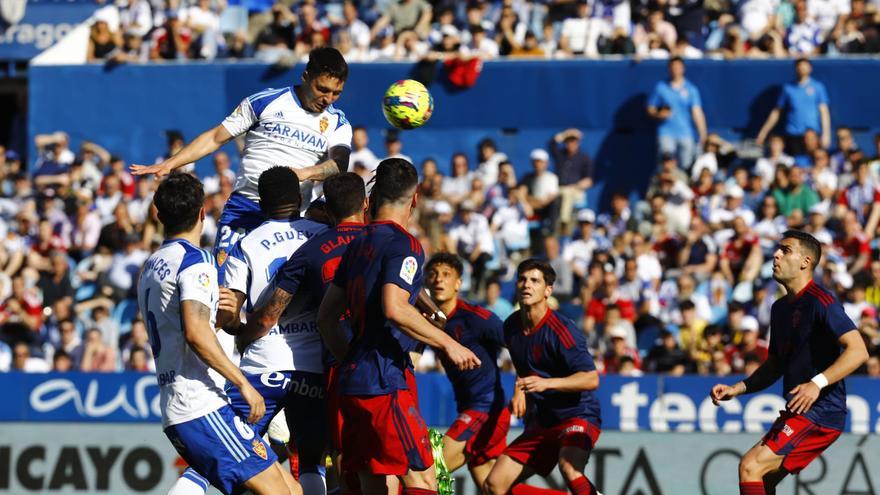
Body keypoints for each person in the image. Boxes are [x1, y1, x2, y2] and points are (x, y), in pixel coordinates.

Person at [316, 158, 480, 495]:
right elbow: (394, 307)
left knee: (372, 481)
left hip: (352, 382)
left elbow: (325, 317)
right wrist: (448, 343)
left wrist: (350, 360)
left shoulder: (359, 242)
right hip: (384, 381)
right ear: (415, 198)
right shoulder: (406, 244)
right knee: (421, 478)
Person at [131, 47, 352, 282]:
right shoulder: (266, 101)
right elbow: (216, 137)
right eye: (323, 89)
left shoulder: (337, 122)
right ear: (306, 76)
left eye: (336, 93)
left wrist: (301, 174)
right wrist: (171, 163)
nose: (327, 99)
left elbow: (339, 164)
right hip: (244, 209)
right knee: (224, 292)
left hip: (292, 218)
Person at [136, 173, 294, 495]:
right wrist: (243, 383)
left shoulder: (150, 266)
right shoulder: (196, 262)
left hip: (179, 405)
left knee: (290, 489)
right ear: (202, 212)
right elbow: (196, 334)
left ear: (159, 215)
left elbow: (183, 327)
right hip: (200, 404)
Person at [709, 230, 868, 495]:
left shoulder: (821, 300)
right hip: (800, 410)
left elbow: (858, 350)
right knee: (764, 480)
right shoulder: (780, 308)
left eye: (785, 250)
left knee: (750, 467)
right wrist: (738, 388)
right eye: (777, 249)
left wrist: (816, 384)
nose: (776, 254)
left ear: (805, 261)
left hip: (822, 410)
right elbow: (775, 364)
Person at [241, 171, 369, 495]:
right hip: (383, 361)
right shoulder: (385, 240)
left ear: (327, 209)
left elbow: (269, 315)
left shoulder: (312, 249)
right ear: (366, 203)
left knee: (335, 456)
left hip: (334, 363)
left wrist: (241, 335)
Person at [484, 259, 602, 495]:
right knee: (493, 485)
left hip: (577, 415)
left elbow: (591, 379)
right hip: (545, 420)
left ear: (548, 290)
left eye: (535, 281)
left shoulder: (562, 330)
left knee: (569, 467)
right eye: (523, 279)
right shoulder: (512, 327)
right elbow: (525, 365)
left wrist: (546, 383)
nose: (527, 285)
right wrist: (520, 390)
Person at [424, 253, 510, 489]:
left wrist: (523, 386)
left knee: (431, 469)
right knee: (493, 488)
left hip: (486, 409)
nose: (439, 280)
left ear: (459, 284)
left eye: (446, 274)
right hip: (471, 408)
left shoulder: (476, 318)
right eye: (433, 274)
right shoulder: (428, 322)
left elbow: (518, 344)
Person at [756, 58, 831, 154]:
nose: (802, 69)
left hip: (812, 134)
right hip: (793, 134)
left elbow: (824, 111)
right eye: (800, 66)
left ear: (810, 68)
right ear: (796, 68)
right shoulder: (787, 88)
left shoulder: (818, 87)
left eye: (805, 66)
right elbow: (777, 112)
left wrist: (826, 134)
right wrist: (763, 132)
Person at [646, 56, 708, 171]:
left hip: (685, 133)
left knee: (686, 166)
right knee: (666, 164)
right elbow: (650, 108)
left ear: (683, 69)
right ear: (669, 69)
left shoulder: (690, 89)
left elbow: (697, 112)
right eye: (673, 67)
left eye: (678, 67)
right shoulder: (660, 87)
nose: (675, 70)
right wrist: (658, 114)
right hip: (666, 132)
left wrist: (703, 133)